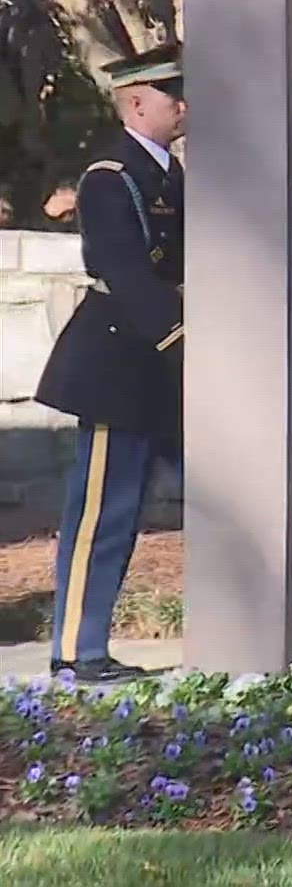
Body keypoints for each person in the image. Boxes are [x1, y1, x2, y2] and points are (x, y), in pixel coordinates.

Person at [34, 44, 187, 683]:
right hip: (118, 363)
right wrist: (183, 337)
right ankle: (76, 649)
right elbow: (123, 271)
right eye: (171, 92)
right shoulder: (110, 176)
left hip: (157, 367)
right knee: (102, 511)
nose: (184, 105)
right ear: (135, 101)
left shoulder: (165, 174)